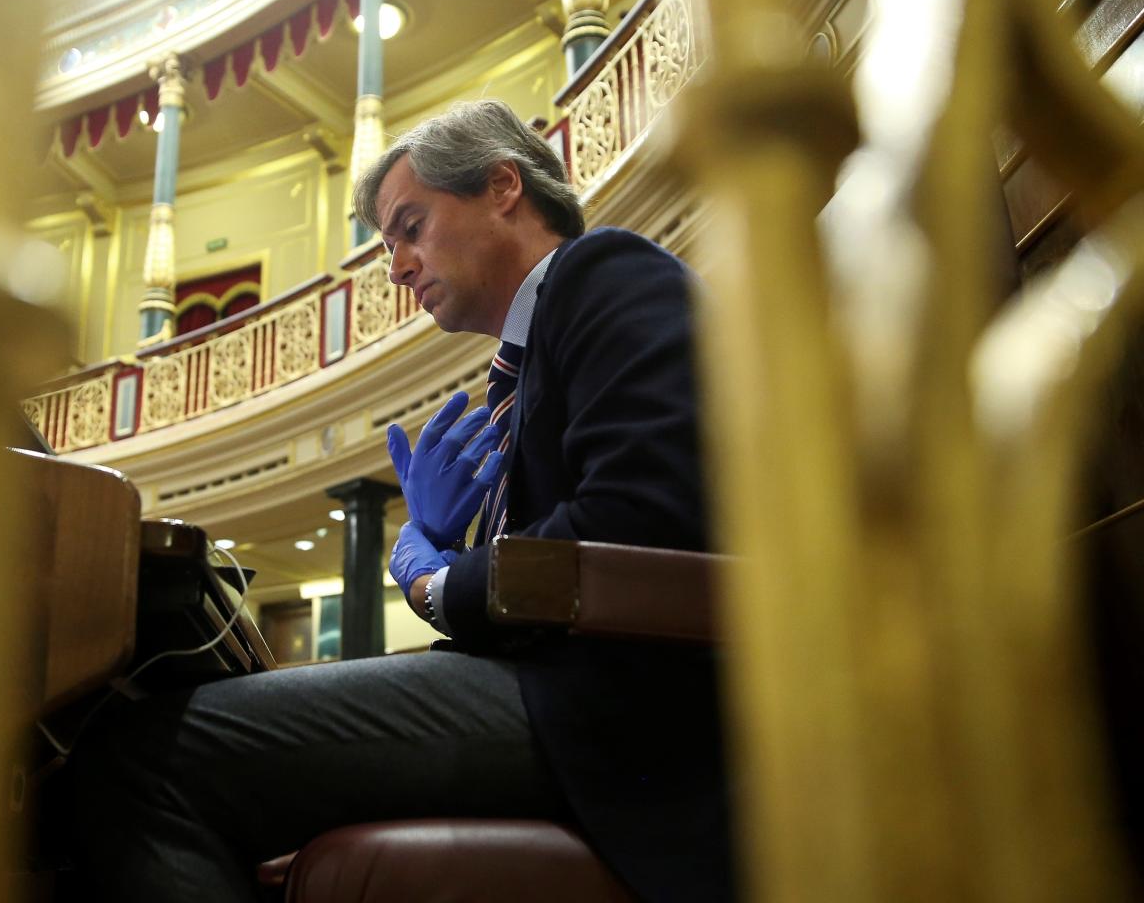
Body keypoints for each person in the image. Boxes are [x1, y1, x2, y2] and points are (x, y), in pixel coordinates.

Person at [72, 100, 730, 902]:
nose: (395, 267)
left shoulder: (605, 273)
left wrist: (436, 580)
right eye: (388, 245)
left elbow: (643, 520)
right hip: (573, 698)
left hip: (620, 716)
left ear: (501, 186)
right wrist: (453, 553)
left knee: (140, 760)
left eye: (410, 227)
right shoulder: (525, 373)